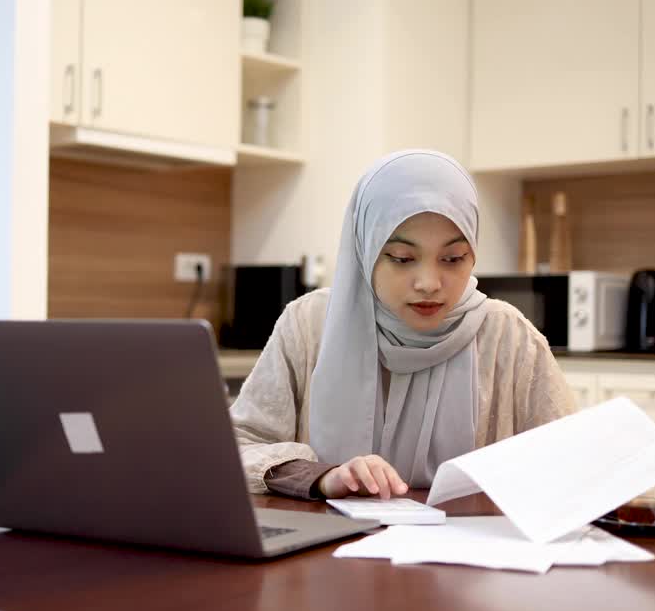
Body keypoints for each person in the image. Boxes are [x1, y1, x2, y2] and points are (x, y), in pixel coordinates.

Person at [230, 149, 576, 501]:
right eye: (402, 258)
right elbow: (237, 445)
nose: (428, 282)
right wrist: (321, 477)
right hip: (327, 548)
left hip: (464, 549)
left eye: (453, 259)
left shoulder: (508, 337)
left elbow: (574, 464)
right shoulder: (309, 325)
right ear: (365, 251)